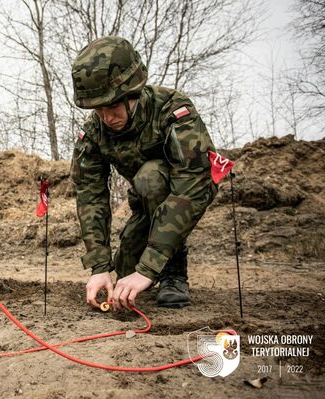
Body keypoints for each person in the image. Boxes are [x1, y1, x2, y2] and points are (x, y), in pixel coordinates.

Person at [69, 36, 218, 311]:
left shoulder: (172, 110)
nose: (106, 117)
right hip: (144, 203)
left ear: (133, 94)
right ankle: (150, 262)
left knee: (151, 177)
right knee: (125, 272)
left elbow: (193, 184)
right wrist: (99, 267)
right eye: (97, 110)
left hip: (185, 192)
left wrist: (150, 267)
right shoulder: (93, 133)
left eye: (112, 107)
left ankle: (173, 272)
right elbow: (90, 197)